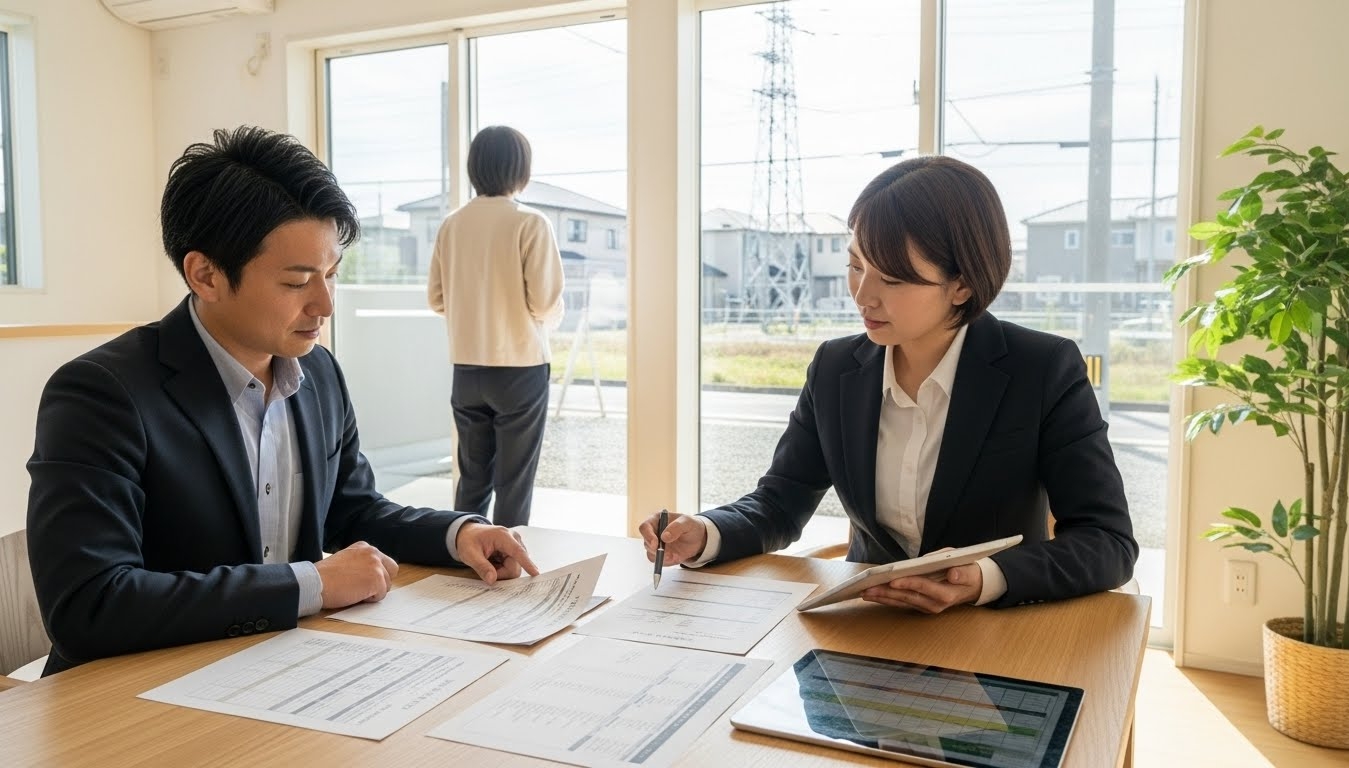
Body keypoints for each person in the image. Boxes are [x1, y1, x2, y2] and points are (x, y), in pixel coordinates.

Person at [26, 126, 538, 676]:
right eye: (297, 283)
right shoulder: (101, 393)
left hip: (275, 672)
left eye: (332, 275)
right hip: (133, 693)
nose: (325, 304)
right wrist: (311, 583)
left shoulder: (318, 372)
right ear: (206, 275)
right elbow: (89, 605)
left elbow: (353, 510)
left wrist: (459, 534)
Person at [640, 156, 1137, 611]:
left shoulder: (1042, 368)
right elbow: (779, 503)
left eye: (893, 280)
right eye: (856, 266)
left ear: (962, 284)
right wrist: (705, 532)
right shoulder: (836, 368)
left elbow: (1107, 541)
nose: (863, 295)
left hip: (992, 630)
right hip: (868, 622)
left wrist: (983, 579)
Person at [428, 125, 565, 528]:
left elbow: (436, 298)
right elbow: (544, 302)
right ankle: (508, 559)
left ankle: (460, 552)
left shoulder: (452, 224)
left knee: (471, 479)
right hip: (521, 368)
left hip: (467, 369)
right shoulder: (530, 222)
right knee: (514, 483)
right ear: (522, 170)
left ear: (474, 168)